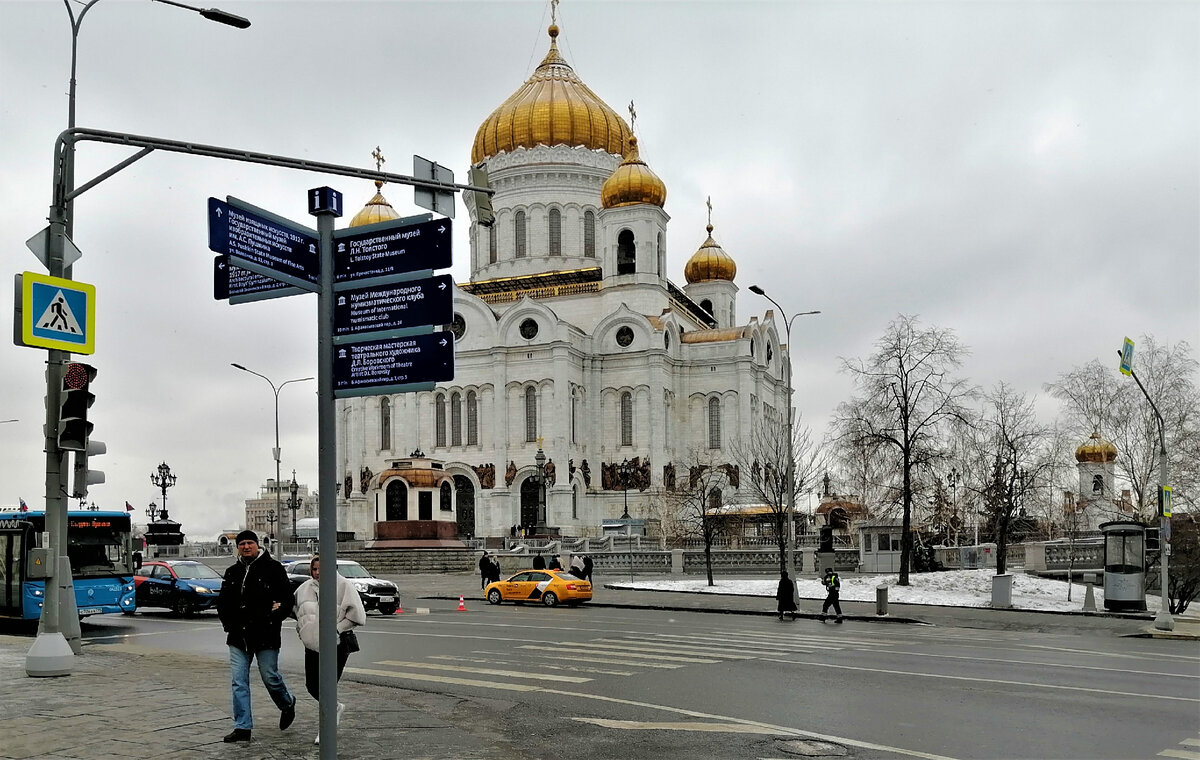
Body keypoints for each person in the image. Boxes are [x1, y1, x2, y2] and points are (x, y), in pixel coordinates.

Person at [217, 530, 297, 743]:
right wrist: (228, 624)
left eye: (249, 543)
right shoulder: (232, 571)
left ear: (257, 545)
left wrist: (275, 615)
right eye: (242, 543)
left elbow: (287, 600)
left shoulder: (273, 569)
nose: (245, 546)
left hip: (266, 634)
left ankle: (287, 703)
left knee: (270, 676)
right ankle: (242, 727)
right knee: (239, 681)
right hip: (238, 636)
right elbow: (223, 601)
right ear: (238, 547)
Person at [293, 554, 366, 745]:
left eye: (322, 569)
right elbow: (296, 611)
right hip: (312, 645)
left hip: (337, 644)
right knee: (312, 686)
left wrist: (337, 629)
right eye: (314, 569)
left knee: (327, 687)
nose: (317, 573)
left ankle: (325, 730)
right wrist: (302, 630)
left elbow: (357, 615)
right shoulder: (304, 588)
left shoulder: (343, 586)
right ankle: (335, 707)